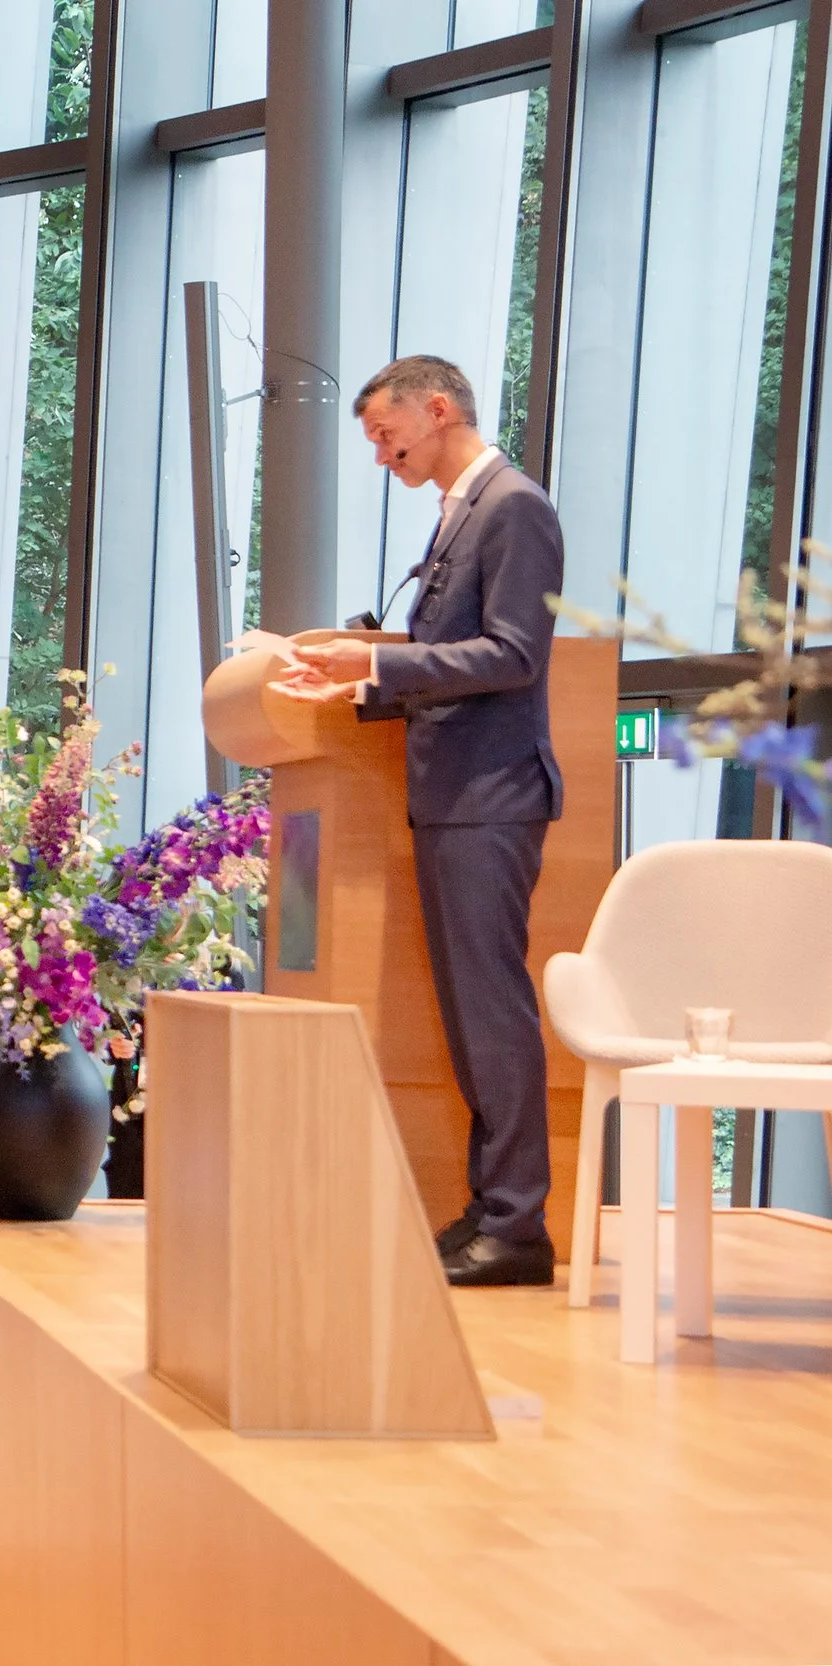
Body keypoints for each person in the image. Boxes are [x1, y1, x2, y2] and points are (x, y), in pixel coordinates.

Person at [280, 353, 564, 1288]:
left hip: (492, 797)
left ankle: (518, 1225)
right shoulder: (460, 511)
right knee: (468, 1017)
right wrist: (352, 678)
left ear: (437, 409)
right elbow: (454, 657)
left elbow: (514, 655)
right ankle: (493, 1208)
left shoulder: (513, 506)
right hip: (451, 797)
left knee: (492, 1011)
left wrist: (376, 664)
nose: (379, 455)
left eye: (384, 433)